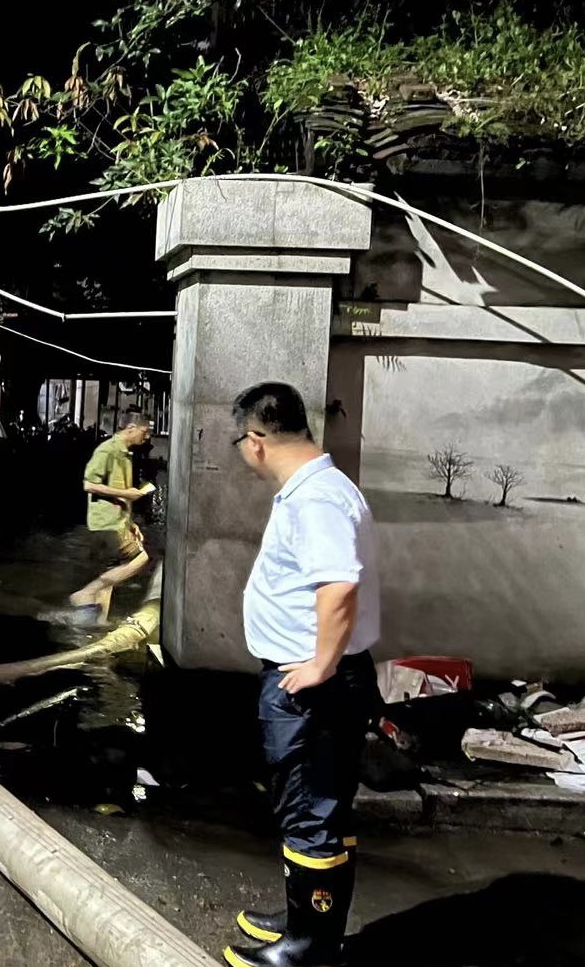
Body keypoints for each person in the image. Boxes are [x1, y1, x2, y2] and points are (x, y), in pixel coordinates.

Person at [223, 382, 380, 967]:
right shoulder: (319, 489)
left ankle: (308, 949)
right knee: (320, 808)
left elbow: (339, 585)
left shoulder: (315, 499)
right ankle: (307, 921)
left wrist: (320, 664)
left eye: (240, 442)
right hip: (322, 679)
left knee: (310, 811)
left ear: (256, 439)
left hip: (315, 688)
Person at [69, 409, 154, 623]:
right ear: (131, 428)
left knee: (111, 572)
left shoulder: (125, 454)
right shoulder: (107, 450)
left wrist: (131, 523)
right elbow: (89, 484)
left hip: (117, 521)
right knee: (141, 559)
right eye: (144, 431)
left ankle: (96, 623)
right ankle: (86, 593)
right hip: (105, 523)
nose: (147, 436)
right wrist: (126, 493)